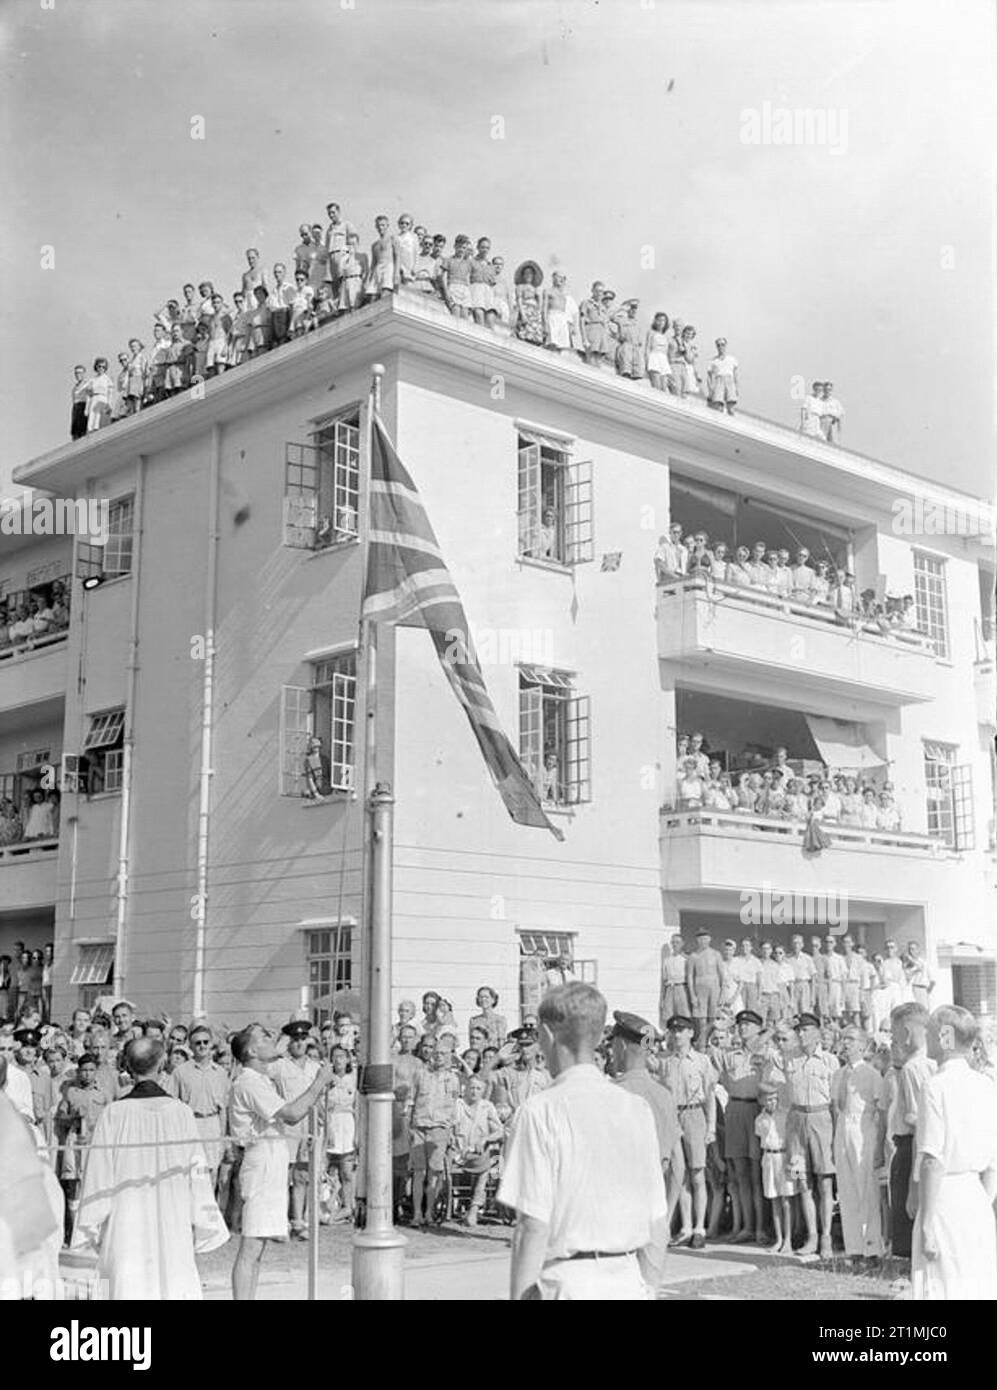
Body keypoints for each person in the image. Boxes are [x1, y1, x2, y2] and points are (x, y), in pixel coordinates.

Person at [498, 983, 668, 1299]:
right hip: (628, 1278)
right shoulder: (635, 1109)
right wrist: (650, 1286)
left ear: (547, 1036)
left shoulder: (539, 1111)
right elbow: (657, 1219)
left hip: (569, 1279)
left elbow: (533, 1225)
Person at [71, 1038, 228, 1299]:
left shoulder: (114, 1113)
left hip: (127, 1219)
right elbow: (198, 1174)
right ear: (162, 1062)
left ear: (129, 1067)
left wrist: (90, 1222)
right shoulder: (181, 1112)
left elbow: (98, 1175)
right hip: (171, 1217)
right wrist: (203, 1217)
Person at [228, 1025, 334, 1300]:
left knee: (259, 1247)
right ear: (251, 1051)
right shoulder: (249, 1081)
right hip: (260, 1162)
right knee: (250, 1246)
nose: (271, 1040)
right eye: (263, 1038)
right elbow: (291, 1113)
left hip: (272, 1159)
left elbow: (280, 1122)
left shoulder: (261, 1080)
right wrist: (319, 1082)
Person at [911, 1006, 997, 1300]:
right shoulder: (987, 1085)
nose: (927, 1039)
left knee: (931, 1282)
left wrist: (926, 1224)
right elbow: (994, 1162)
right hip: (975, 1199)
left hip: (942, 1198)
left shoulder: (935, 1087)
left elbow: (932, 1160)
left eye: (931, 1032)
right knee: (975, 1285)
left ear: (945, 1036)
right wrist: (982, 1202)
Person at [609, 1011, 684, 1232]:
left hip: (619, 1207)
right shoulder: (664, 1095)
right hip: (655, 1207)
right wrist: (668, 1216)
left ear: (621, 1045)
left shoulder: (612, 1093)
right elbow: (678, 1163)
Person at [784, 1012, 838, 1258]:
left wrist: (835, 1135)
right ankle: (811, 1236)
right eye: (799, 1030)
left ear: (817, 1032)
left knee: (824, 1180)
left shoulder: (829, 1061)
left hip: (821, 1119)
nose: (801, 1034)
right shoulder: (790, 1060)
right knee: (802, 1180)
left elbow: (836, 1102)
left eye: (806, 1029)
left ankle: (826, 1236)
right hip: (796, 1121)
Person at [660, 1015, 717, 1249]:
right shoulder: (666, 1061)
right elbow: (645, 1052)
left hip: (695, 1114)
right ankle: (685, 1226)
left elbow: (710, 1095)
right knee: (678, 1173)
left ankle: (699, 1227)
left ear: (691, 1033)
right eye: (673, 1031)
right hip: (674, 1116)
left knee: (697, 1173)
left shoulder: (702, 1061)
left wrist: (711, 1125)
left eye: (682, 1030)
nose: (677, 1035)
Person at [832, 1026, 886, 1264]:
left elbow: (881, 1110)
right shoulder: (838, 1074)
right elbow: (836, 1109)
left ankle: (872, 1248)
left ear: (863, 1046)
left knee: (867, 1190)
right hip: (842, 1129)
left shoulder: (871, 1074)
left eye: (851, 1040)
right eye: (843, 1040)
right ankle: (853, 1247)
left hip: (863, 1130)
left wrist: (879, 1145)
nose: (846, 1044)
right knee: (847, 1190)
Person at [888, 1001, 935, 1261]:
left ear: (906, 1033)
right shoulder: (933, 1062)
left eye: (895, 1034)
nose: (895, 1040)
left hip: (913, 1147)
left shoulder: (912, 1068)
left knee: (909, 1215)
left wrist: (913, 1183)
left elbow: (920, 1125)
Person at [717, 1009, 766, 1244]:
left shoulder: (767, 1052)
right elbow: (706, 1044)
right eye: (740, 1025)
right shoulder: (730, 1055)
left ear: (759, 1028)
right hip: (735, 1109)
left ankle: (760, 1227)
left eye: (748, 1024)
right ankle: (746, 1226)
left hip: (755, 1109)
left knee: (757, 1175)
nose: (743, 1028)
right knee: (740, 1174)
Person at [166, 1023, 230, 1188]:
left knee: (212, 1174)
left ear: (211, 1044)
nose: (202, 1046)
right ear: (191, 1046)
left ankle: (209, 1212)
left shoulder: (221, 1073)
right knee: (193, 1174)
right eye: (198, 1043)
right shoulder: (180, 1072)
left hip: (213, 1124)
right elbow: (172, 1106)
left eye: (205, 1042)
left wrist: (223, 1138)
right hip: (191, 1124)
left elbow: (223, 1110)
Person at [408, 1036, 461, 1227]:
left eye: (443, 1054)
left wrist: (452, 1131)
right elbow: (410, 1101)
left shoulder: (453, 1079)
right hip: (419, 1126)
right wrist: (410, 1125)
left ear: (450, 1056)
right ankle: (416, 1213)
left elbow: (455, 1107)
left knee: (435, 1173)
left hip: (440, 1128)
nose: (439, 1056)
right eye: (436, 1052)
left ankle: (429, 1212)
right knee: (419, 1172)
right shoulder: (420, 1074)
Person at [451, 1073, 503, 1226]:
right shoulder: (458, 1105)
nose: (474, 1091)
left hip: (479, 1154)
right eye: (471, 1087)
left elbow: (499, 1131)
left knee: (488, 1164)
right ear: (465, 1089)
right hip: (458, 1152)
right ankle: (469, 1208)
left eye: (478, 1088)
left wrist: (486, 1139)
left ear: (483, 1091)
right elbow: (449, 1127)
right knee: (485, 1163)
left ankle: (474, 1208)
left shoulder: (487, 1107)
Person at [322, 1046, 357, 1223]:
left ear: (348, 1059)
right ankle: (325, 1205)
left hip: (348, 1124)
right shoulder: (327, 1078)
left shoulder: (353, 1079)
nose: (338, 1060)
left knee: (347, 1171)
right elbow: (323, 1104)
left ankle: (348, 1206)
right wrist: (328, 1129)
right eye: (335, 1057)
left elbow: (357, 1107)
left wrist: (357, 1133)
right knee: (324, 1169)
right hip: (331, 1123)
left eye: (342, 1057)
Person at [686, 929, 724, 1046]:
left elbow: (722, 975)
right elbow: (690, 976)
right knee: (701, 1018)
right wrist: (692, 995)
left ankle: (710, 1041)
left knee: (713, 1017)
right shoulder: (693, 956)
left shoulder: (716, 954)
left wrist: (722, 994)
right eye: (700, 938)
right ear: (697, 940)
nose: (703, 941)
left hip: (714, 988)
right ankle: (702, 1042)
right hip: (700, 988)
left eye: (705, 938)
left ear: (709, 939)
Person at [659, 934, 690, 1029]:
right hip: (669, 989)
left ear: (682, 944)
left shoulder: (686, 959)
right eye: (673, 942)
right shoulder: (667, 960)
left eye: (677, 942)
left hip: (682, 988)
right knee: (668, 1015)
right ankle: (669, 1038)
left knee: (684, 1014)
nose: (675, 944)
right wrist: (662, 998)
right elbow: (664, 980)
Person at [366, 214, 399, 301]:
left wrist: (396, 273)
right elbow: (373, 263)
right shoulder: (374, 245)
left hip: (389, 266)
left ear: (387, 226)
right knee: (372, 296)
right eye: (379, 225)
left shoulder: (392, 239)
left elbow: (397, 256)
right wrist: (368, 278)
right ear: (376, 226)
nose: (381, 228)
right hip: (378, 269)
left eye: (383, 225)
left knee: (386, 293)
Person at [578, 281, 610, 365]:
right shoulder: (586, 303)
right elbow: (582, 320)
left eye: (602, 291)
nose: (600, 294)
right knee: (591, 358)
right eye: (598, 291)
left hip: (601, 334)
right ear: (592, 291)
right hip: (592, 331)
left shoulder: (603, 307)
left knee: (599, 360)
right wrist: (584, 339)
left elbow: (606, 323)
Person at [512, 261, 545, 344]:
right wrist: (522, 314)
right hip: (525, 308)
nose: (528, 276)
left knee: (535, 334)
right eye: (526, 274)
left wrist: (538, 312)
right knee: (524, 331)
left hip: (534, 311)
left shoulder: (536, 289)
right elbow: (519, 299)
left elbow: (540, 303)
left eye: (530, 274)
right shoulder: (520, 287)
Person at [611, 299, 644, 379]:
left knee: (637, 374)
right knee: (625, 371)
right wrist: (621, 308)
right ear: (628, 310)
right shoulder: (622, 320)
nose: (633, 311)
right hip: (626, 346)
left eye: (635, 309)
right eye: (631, 309)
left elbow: (640, 341)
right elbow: (611, 317)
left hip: (636, 349)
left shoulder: (638, 324)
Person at [706, 337, 739, 414]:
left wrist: (736, 387)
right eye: (718, 345)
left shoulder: (731, 359)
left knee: (731, 406)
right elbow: (709, 377)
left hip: (729, 380)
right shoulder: (713, 361)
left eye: (722, 345)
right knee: (718, 406)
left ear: (726, 345)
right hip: (719, 381)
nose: (721, 347)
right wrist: (711, 389)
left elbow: (735, 375)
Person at [70, 364, 88, 439]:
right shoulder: (74, 388)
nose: (78, 375)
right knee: (75, 429)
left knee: (83, 428)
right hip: (75, 408)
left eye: (80, 373)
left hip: (83, 406)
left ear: (84, 374)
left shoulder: (87, 384)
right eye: (76, 373)